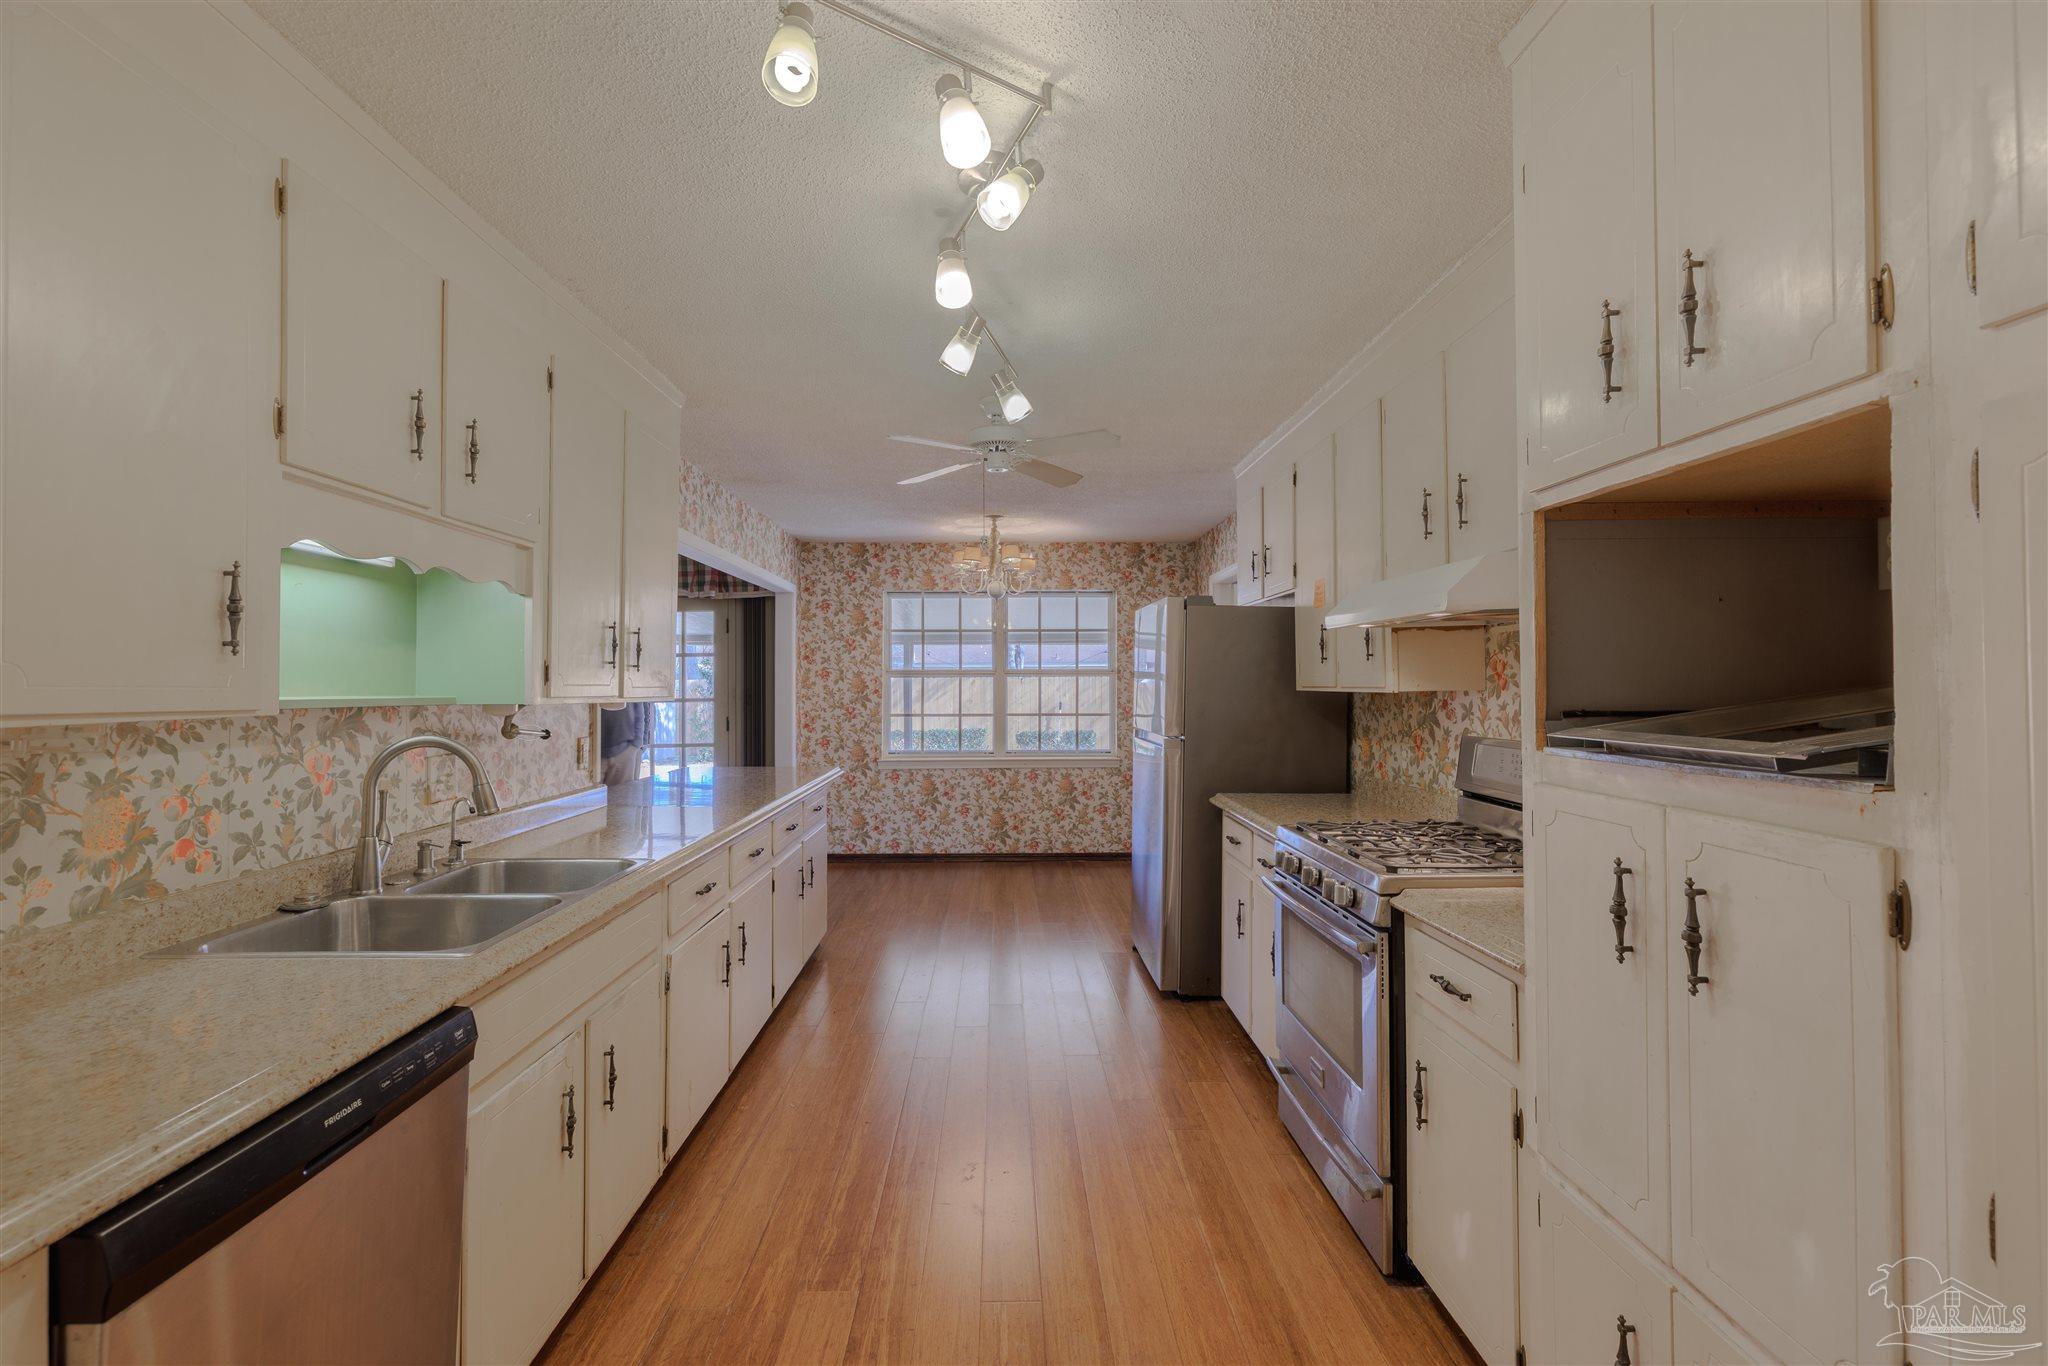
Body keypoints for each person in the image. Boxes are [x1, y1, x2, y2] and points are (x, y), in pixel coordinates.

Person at [599, 702, 650, 785]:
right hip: (595, 752)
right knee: (591, 793)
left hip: (626, 749)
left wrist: (637, 745)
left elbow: (643, 713)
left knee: (623, 792)